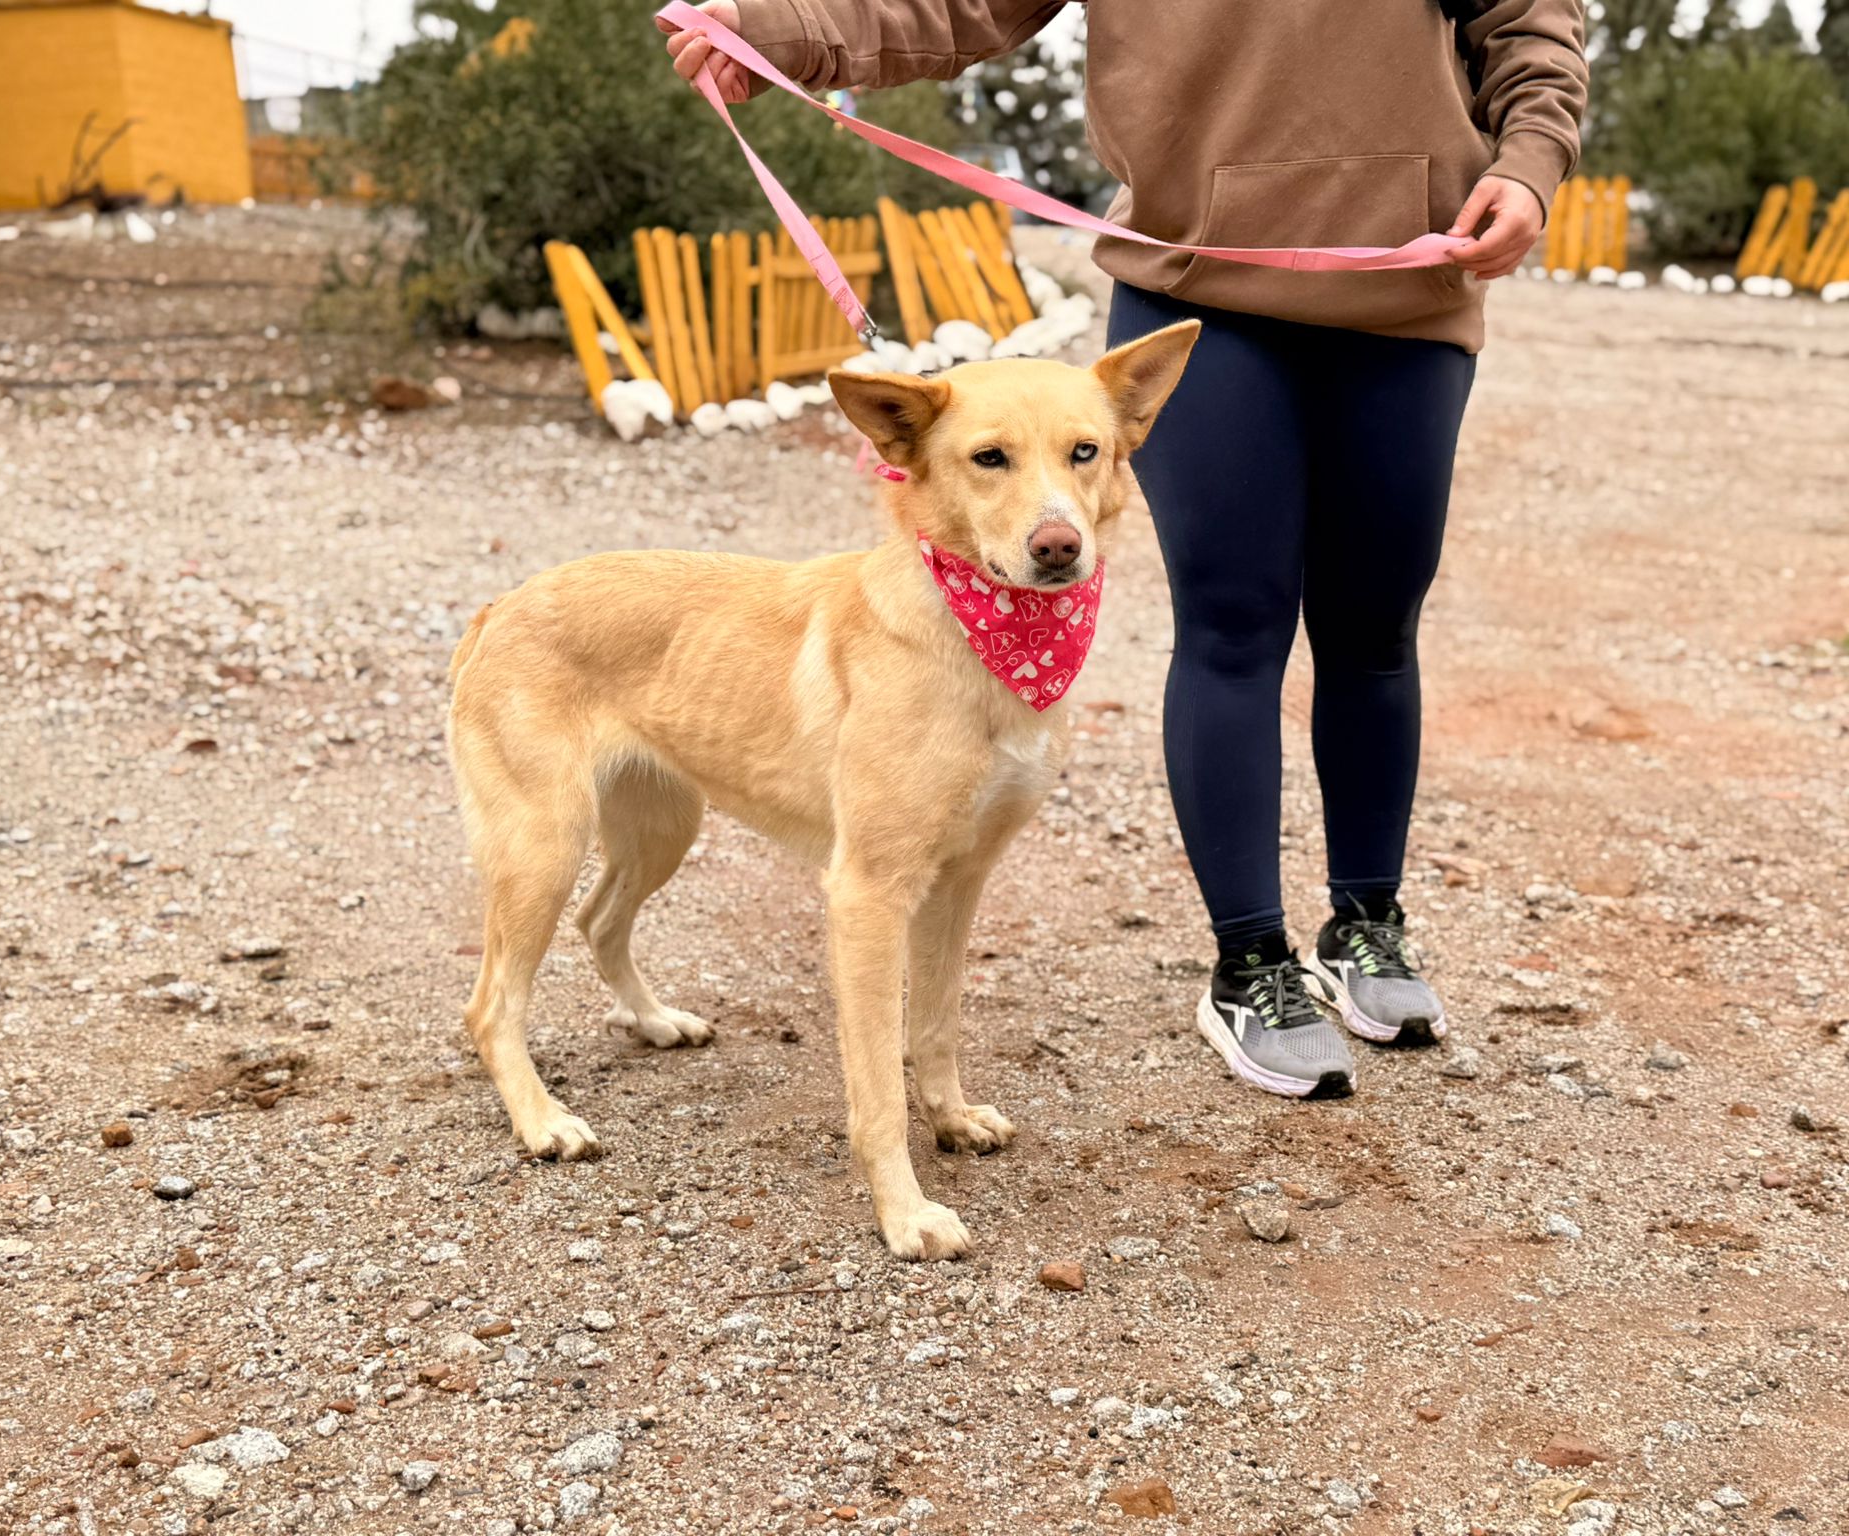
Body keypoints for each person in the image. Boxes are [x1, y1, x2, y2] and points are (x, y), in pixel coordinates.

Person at [661, 0, 1586, 1099]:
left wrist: (1531, 162)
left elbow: (1530, 20)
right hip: (1198, 282)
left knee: (1374, 628)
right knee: (1233, 624)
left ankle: (1366, 924)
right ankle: (1251, 964)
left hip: (1408, 277)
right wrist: (778, 29)